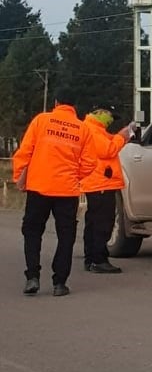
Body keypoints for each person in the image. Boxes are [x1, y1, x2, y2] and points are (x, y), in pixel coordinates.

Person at [13, 92, 96, 296]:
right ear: (74, 106)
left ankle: (32, 276)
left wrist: (20, 178)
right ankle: (60, 283)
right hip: (67, 191)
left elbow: (25, 151)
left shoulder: (41, 120)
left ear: (56, 102)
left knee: (32, 231)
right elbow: (89, 162)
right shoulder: (83, 129)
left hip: (38, 187)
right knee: (66, 236)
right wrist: (75, 177)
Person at [81, 104, 135, 273]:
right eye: (110, 117)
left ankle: (91, 258)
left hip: (97, 182)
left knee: (93, 221)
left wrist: (122, 135)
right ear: (101, 113)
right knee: (102, 223)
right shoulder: (91, 129)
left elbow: (109, 141)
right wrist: (123, 137)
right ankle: (98, 259)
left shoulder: (94, 129)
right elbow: (107, 150)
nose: (110, 121)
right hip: (100, 182)